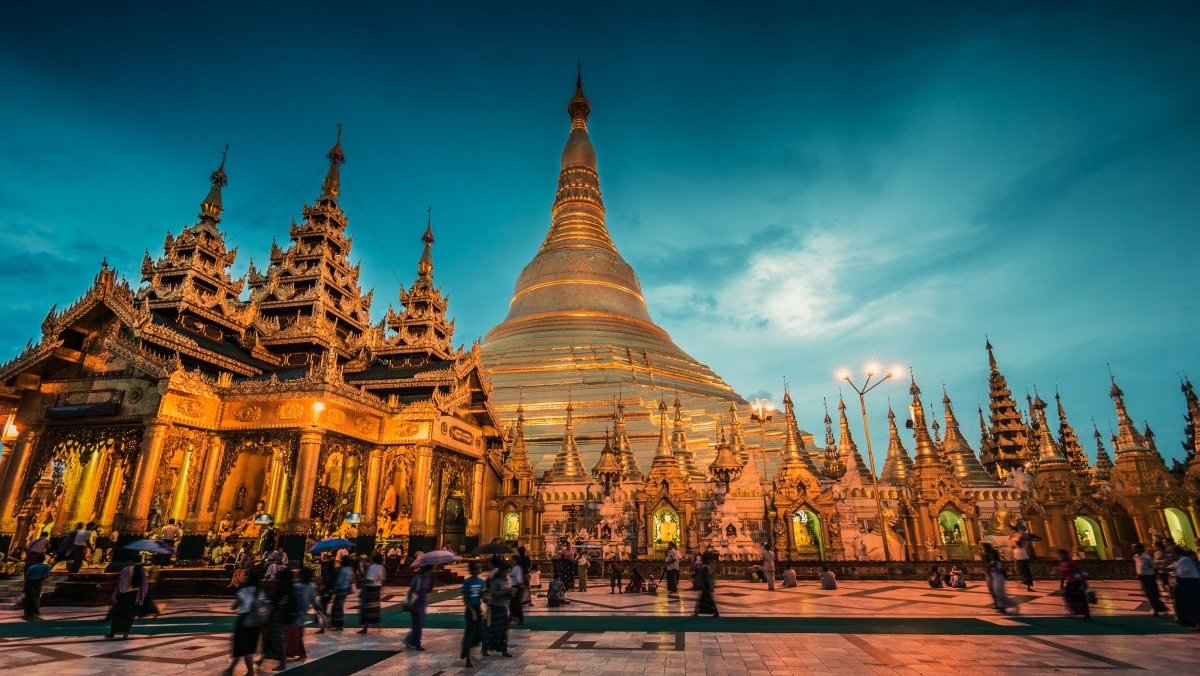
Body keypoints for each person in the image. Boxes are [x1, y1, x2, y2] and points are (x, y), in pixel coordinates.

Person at [225, 569, 266, 676]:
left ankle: (244, 670)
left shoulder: (243, 590)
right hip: (256, 622)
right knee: (247, 647)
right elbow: (263, 606)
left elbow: (234, 606)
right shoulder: (260, 591)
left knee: (241, 647)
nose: (244, 577)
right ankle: (232, 669)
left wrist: (237, 602)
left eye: (246, 575)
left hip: (244, 619)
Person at [260, 566, 294, 672]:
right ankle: (264, 657)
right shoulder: (291, 586)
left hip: (277, 615)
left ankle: (282, 662)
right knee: (273, 637)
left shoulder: (282, 585)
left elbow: (274, 598)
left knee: (276, 638)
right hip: (286, 616)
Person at [107, 563, 148, 639]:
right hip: (134, 596)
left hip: (124, 595)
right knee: (130, 616)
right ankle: (125, 634)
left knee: (117, 614)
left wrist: (115, 595)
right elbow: (144, 586)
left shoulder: (125, 570)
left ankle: (112, 633)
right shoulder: (142, 571)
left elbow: (120, 584)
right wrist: (141, 598)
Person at [288, 567, 319, 661]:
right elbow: (314, 601)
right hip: (302, 613)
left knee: (294, 634)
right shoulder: (312, 586)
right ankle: (302, 653)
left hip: (295, 613)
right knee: (298, 634)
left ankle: (297, 653)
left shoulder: (297, 586)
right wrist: (319, 607)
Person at [460, 562, 486, 667]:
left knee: (480, 632)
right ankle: (467, 657)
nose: (479, 569)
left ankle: (471, 649)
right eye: (477, 567)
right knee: (470, 634)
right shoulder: (467, 582)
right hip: (470, 609)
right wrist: (472, 611)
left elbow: (481, 596)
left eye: (479, 567)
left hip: (477, 608)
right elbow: (465, 598)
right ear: (472, 569)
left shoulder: (481, 581)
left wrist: (484, 597)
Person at [1131, 543, 1169, 617]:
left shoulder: (1146, 557)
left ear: (1139, 548)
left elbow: (1154, 567)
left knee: (1153, 594)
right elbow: (1138, 567)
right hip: (1142, 577)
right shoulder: (1136, 557)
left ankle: (1160, 609)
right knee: (1148, 594)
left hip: (1149, 577)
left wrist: (1152, 577)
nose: (1132, 549)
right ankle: (1157, 609)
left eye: (1134, 548)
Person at [486, 560, 514, 656]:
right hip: (496, 607)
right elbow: (493, 593)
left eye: (508, 572)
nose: (507, 574)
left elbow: (509, 593)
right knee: (494, 628)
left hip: (505, 607)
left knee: (505, 628)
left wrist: (511, 593)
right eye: (506, 571)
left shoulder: (508, 580)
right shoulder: (496, 581)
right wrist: (505, 592)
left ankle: (504, 649)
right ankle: (487, 647)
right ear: (501, 571)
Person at [1168, 545, 1199, 628]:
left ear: (1176, 553)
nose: (1170, 555)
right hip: (1183, 583)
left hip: (1190, 583)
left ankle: (1195, 622)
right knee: (1182, 603)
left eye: (1171, 553)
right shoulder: (1178, 561)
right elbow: (1171, 568)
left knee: (1192, 603)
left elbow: (1181, 573)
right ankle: (1188, 621)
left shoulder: (1184, 560)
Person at [404, 564, 434, 650]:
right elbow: (411, 591)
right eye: (429, 572)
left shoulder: (427, 580)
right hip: (415, 604)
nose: (430, 574)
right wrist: (408, 603)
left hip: (422, 604)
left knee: (419, 624)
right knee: (418, 625)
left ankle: (409, 640)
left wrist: (433, 581)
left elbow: (427, 591)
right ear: (424, 571)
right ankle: (417, 643)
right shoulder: (417, 579)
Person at [982, 542, 1018, 614]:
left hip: (998, 577)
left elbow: (999, 570)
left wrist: (991, 566)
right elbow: (987, 568)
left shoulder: (997, 562)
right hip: (993, 577)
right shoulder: (989, 559)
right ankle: (1000, 606)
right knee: (996, 592)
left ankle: (1010, 605)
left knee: (999, 592)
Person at [356, 553, 385, 634]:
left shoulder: (372, 567)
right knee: (375, 608)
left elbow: (369, 579)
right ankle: (378, 624)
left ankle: (365, 627)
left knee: (367, 608)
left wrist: (363, 581)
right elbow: (382, 580)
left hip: (370, 589)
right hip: (377, 589)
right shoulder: (382, 567)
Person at [1057, 548, 1090, 618]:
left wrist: (1083, 581)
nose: (1060, 556)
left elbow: (1079, 571)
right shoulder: (1061, 564)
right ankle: (1074, 611)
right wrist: (1061, 584)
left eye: (1061, 555)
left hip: (1077, 582)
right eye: (1059, 555)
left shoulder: (1071, 562)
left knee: (1081, 597)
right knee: (1069, 597)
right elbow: (1063, 575)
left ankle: (1086, 612)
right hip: (1070, 582)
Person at [22, 553, 50, 620]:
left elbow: (27, 575)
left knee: (29, 596)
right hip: (38, 581)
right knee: (36, 596)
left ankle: (28, 611)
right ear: (44, 559)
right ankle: (35, 610)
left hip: (30, 582)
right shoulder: (45, 566)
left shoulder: (31, 567)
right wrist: (42, 578)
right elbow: (47, 575)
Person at [330, 555, 355, 631]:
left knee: (337, 607)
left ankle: (338, 624)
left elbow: (339, 581)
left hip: (341, 589)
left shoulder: (343, 570)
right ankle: (340, 624)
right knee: (340, 606)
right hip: (346, 589)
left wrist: (335, 587)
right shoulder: (350, 569)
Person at [509, 554, 526, 624]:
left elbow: (518, 578)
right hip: (514, 586)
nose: (511, 561)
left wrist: (519, 585)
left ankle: (518, 618)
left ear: (516, 560)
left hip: (517, 586)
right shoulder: (514, 567)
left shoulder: (517, 568)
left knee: (516, 603)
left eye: (513, 560)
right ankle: (516, 617)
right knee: (514, 603)